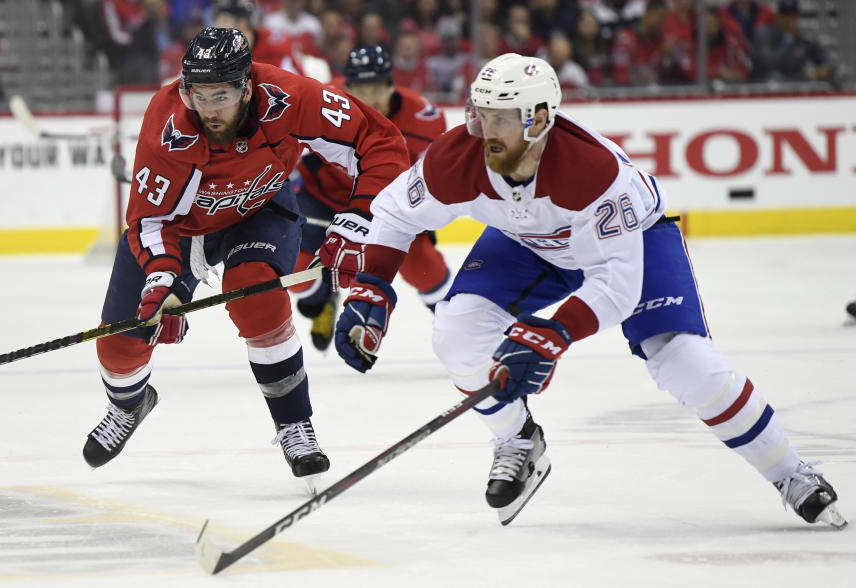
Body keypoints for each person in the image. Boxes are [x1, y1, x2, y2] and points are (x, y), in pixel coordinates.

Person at [320, 53, 847, 528]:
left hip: (631, 245)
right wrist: (371, 290)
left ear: (541, 119)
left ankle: (789, 471)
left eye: (500, 118)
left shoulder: (595, 173)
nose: (483, 129)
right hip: (527, 242)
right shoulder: (456, 157)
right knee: (456, 331)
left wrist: (553, 333)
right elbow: (393, 213)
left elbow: (616, 284)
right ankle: (517, 441)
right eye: (479, 113)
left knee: (686, 364)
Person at [83, 27, 409, 491]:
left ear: (247, 87)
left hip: (258, 211)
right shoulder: (168, 124)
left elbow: (379, 142)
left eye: (221, 95)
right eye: (199, 94)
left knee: (256, 300)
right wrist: (161, 284)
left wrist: (355, 223)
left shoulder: (291, 96)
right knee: (118, 345)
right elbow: (150, 221)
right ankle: (128, 403)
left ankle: (294, 424)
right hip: (180, 229)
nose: (210, 109)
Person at [290, 44, 453, 351]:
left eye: (377, 87)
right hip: (323, 198)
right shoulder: (323, 104)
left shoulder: (424, 118)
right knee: (295, 272)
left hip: (393, 206)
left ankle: (457, 320)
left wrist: (417, 212)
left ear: (392, 84)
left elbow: (435, 177)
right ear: (347, 88)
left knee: (422, 267)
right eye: (360, 88)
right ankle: (321, 299)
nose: (371, 97)